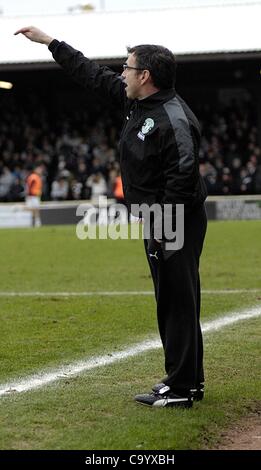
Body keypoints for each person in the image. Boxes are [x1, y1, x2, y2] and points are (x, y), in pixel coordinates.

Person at [15, 26, 208, 408]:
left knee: (177, 300)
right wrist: (51, 44)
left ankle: (183, 387)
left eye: (127, 67)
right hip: (161, 218)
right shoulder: (138, 103)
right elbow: (90, 74)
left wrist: (162, 227)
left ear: (145, 76)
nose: (121, 73)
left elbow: (183, 176)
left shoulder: (173, 118)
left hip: (174, 219)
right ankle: (187, 381)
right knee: (173, 299)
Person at [25, 162, 44, 227]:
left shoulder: (36, 177)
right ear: (35, 169)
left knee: (34, 210)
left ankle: (34, 223)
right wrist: (29, 195)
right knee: (35, 209)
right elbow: (30, 187)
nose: (41, 170)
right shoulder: (34, 177)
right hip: (33, 196)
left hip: (34, 195)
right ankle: (37, 223)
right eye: (39, 169)